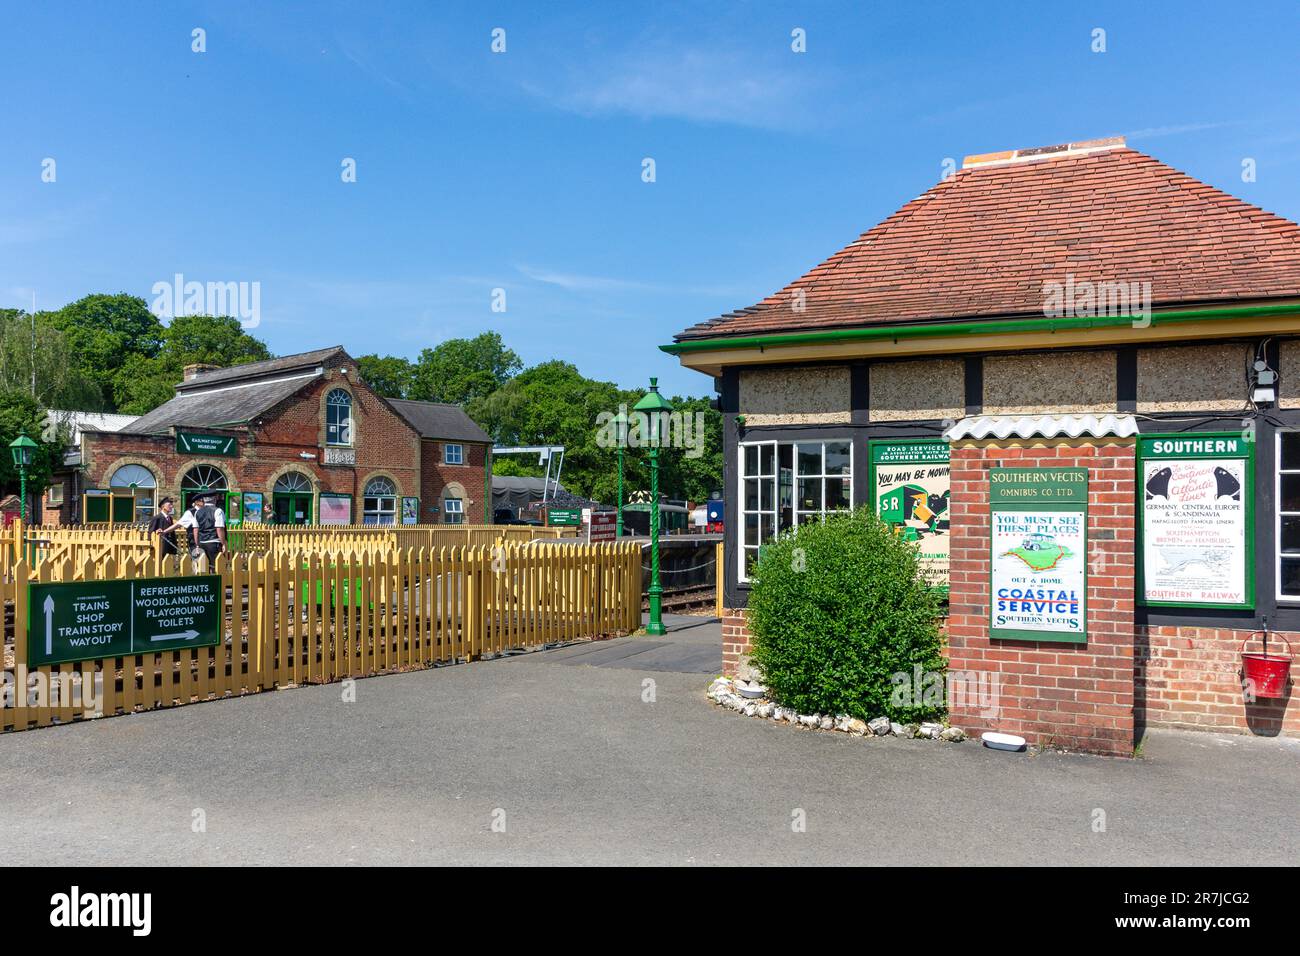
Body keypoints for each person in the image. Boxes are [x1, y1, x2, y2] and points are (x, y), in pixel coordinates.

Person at [179, 494, 226, 566]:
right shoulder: (218, 511)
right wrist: (223, 543)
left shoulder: (198, 512)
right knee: (217, 567)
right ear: (214, 499)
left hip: (202, 543)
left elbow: (195, 530)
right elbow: (219, 528)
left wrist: (197, 545)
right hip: (214, 543)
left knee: (203, 568)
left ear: (204, 500)